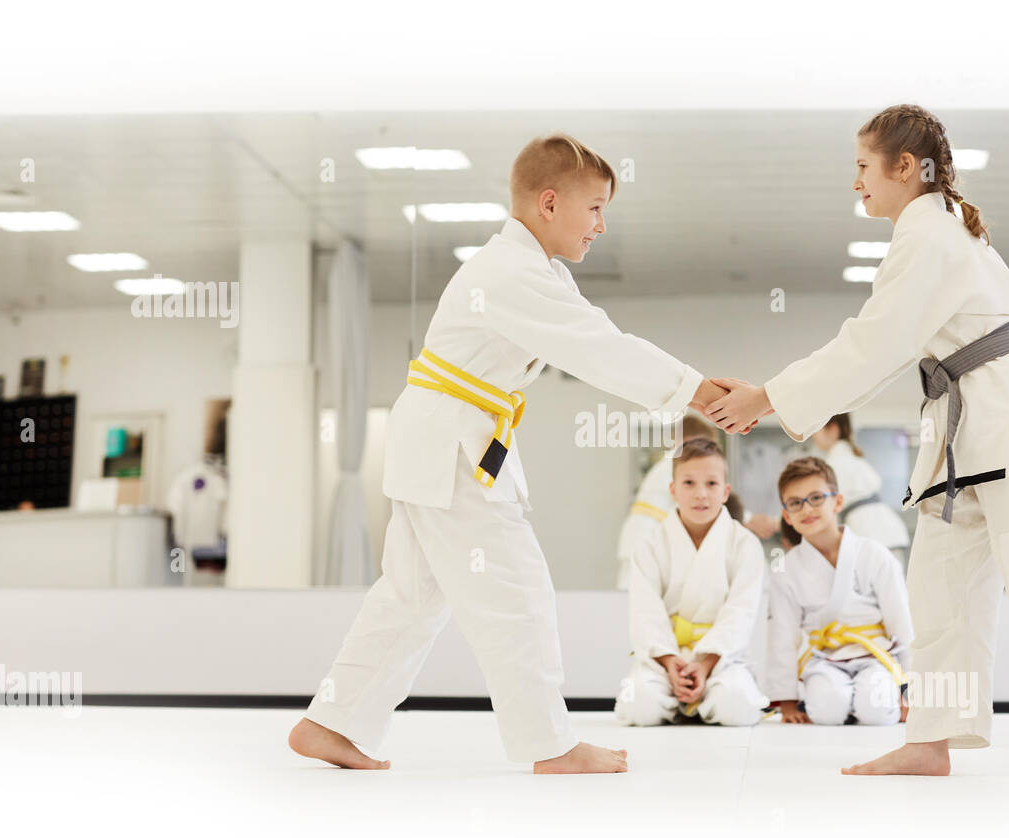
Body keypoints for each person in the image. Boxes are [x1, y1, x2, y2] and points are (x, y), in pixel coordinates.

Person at [704, 104, 1009, 784]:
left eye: (863, 168)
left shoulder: (932, 236)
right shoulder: (931, 231)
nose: (856, 183)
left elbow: (872, 343)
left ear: (906, 168)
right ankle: (932, 740)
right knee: (941, 592)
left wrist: (767, 396)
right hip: (960, 426)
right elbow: (879, 343)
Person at [289, 133, 733, 774]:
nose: (602, 226)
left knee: (411, 597)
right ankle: (550, 746)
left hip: (444, 440)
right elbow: (602, 350)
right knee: (516, 592)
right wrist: (700, 391)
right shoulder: (511, 273)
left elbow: (598, 340)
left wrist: (694, 389)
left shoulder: (534, 271)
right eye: (596, 208)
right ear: (549, 203)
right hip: (453, 446)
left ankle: (331, 721)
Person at [615, 438, 768, 726]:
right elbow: (645, 612)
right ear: (673, 490)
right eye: (689, 483)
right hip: (666, 658)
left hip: (720, 659)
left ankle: (700, 698)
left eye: (711, 484)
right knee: (639, 705)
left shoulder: (744, 544)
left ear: (725, 492)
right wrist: (672, 662)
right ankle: (675, 696)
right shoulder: (650, 545)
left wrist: (705, 662)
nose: (701, 494)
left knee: (736, 705)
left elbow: (741, 611)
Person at [766, 457, 912, 727]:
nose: (806, 508)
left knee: (877, 712)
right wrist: (786, 703)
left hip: (876, 656)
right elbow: (782, 637)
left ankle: (869, 702)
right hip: (825, 659)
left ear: (838, 502)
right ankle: (844, 703)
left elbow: (901, 624)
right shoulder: (786, 570)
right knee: (826, 712)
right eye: (796, 503)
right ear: (786, 515)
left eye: (816, 497)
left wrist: (909, 690)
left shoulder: (874, 554)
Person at [614, 414, 719, 589]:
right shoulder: (673, 466)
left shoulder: (671, 466)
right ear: (687, 440)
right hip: (644, 539)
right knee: (633, 596)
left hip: (646, 539)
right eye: (704, 448)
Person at [810, 412, 909, 562]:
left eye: (817, 428)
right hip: (884, 532)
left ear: (833, 429)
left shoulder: (837, 462)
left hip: (872, 533)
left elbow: (826, 507)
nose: (813, 435)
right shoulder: (849, 457)